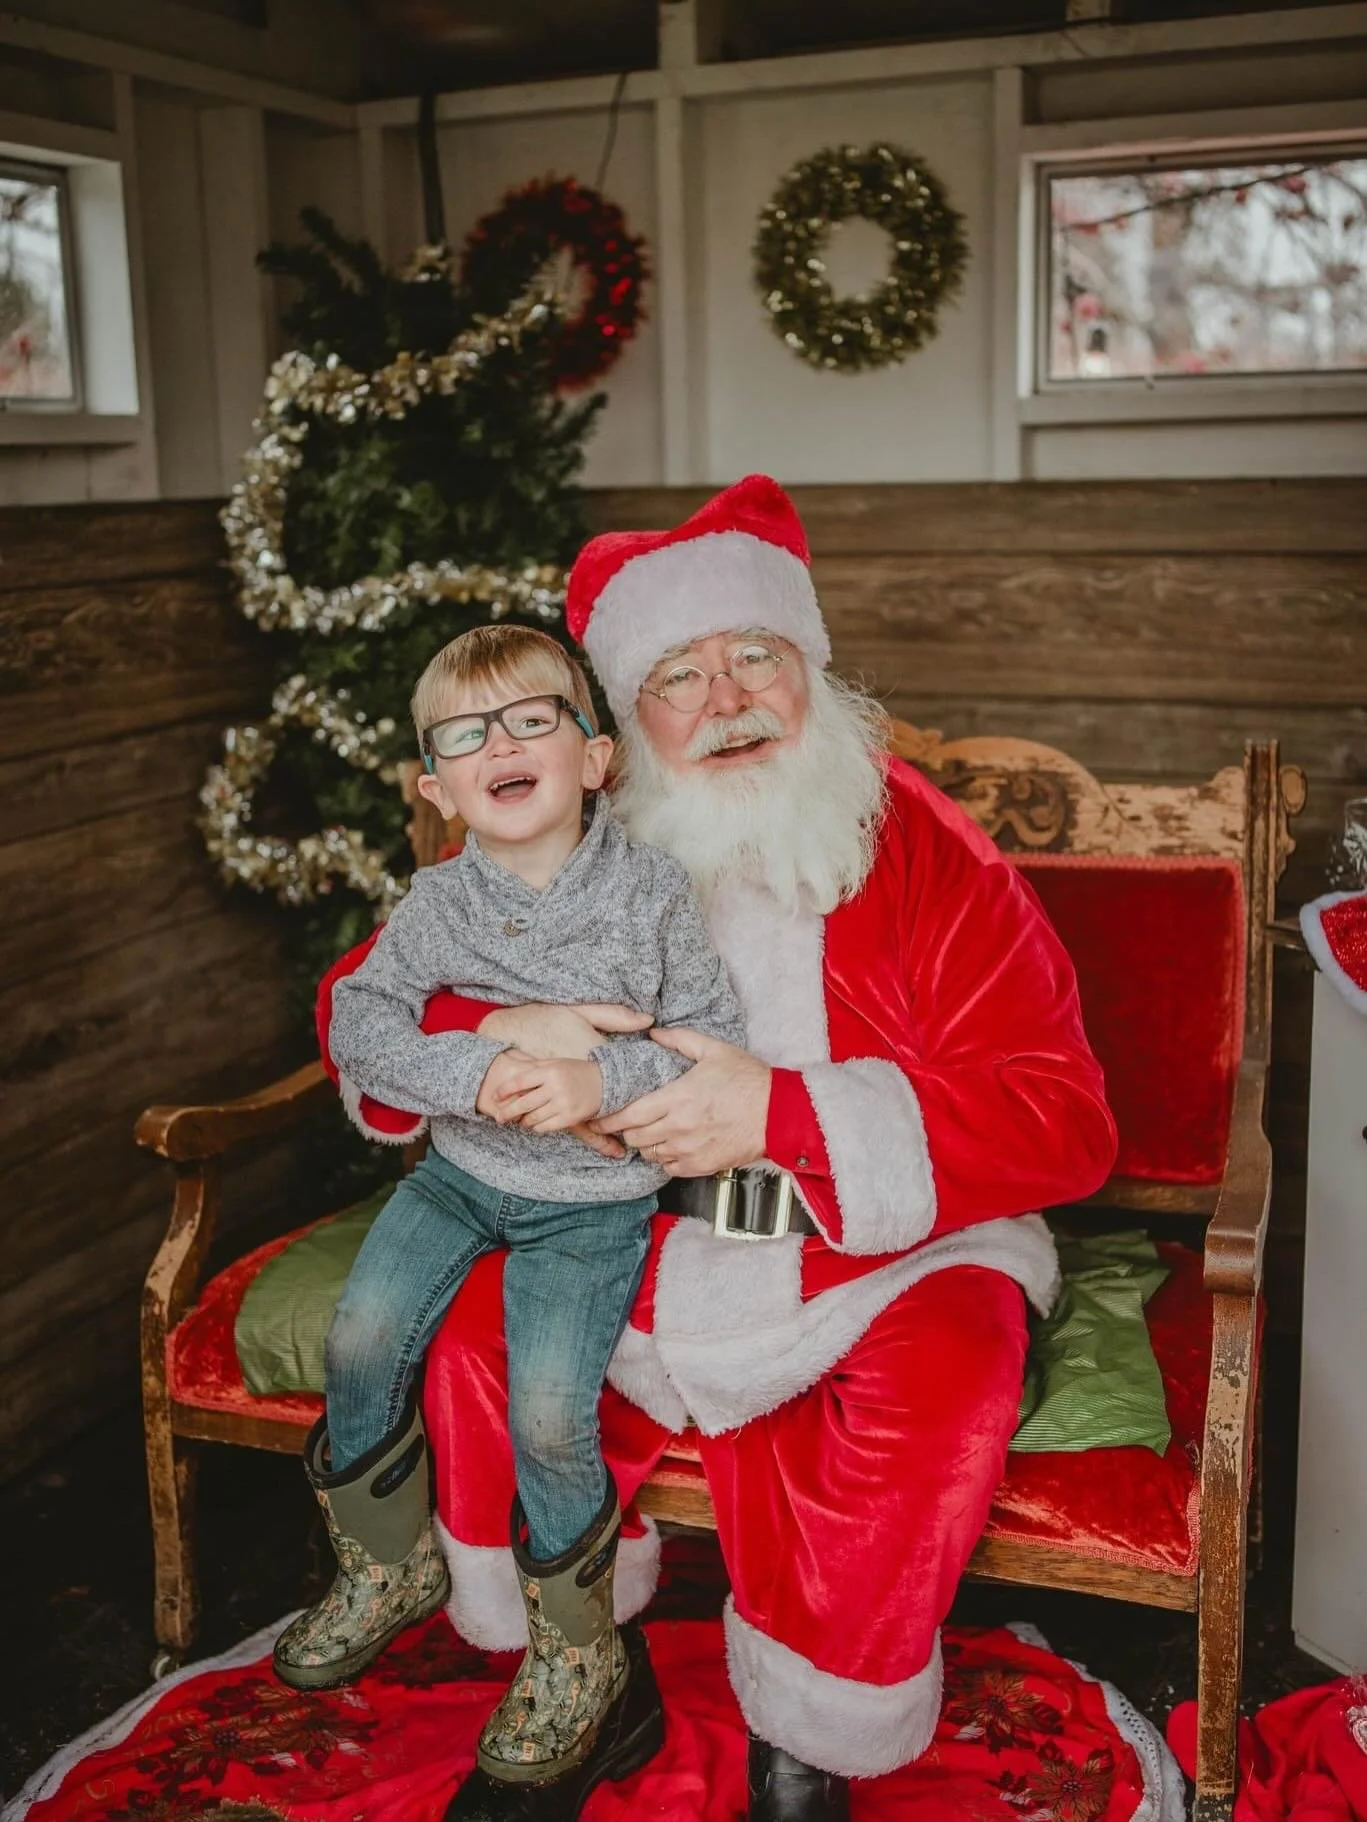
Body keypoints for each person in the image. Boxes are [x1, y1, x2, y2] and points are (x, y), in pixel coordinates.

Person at [318, 475, 1118, 1822]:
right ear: (621, 723)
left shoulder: (919, 843)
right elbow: (374, 1001)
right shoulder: (562, 839)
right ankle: (585, 1673)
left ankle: (811, 1737)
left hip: (880, 1244)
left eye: (757, 656)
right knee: (471, 1341)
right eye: (677, 673)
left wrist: (780, 1117)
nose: (727, 697)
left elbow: (1063, 1115)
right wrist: (503, 1031)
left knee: (950, 1374)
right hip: (622, 1226)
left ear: (808, 670)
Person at [278, 626, 744, 1804]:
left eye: (533, 718)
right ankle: (385, 1566)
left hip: (589, 1207)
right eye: (466, 734)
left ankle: (578, 1647)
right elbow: (363, 1027)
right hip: (454, 1175)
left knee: (547, 1410)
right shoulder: (435, 903)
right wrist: (476, 1067)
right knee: (361, 1333)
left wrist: (601, 1083)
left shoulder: (649, 894)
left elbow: (709, 1043)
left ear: (595, 757)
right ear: (437, 788)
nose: (503, 744)